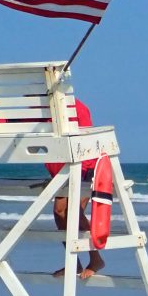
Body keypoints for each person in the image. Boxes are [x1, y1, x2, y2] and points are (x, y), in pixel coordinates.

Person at [45, 98, 104, 279]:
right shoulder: (38, 109)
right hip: (63, 169)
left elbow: (87, 140)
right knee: (60, 212)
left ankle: (96, 259)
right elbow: (8, 121)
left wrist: (83, 171)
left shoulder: (77, 107)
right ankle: (75, 263)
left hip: (85, 164)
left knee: (73, 211)